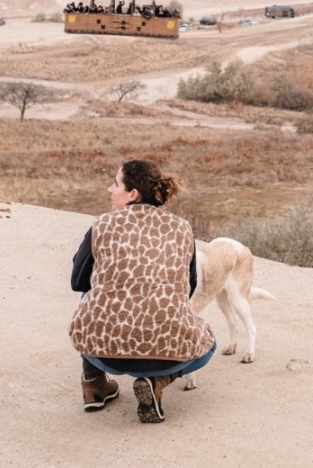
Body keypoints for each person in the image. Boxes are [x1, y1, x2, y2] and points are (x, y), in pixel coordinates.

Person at [70, 160, 216, 424]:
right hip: (168, 349)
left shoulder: (101, 225)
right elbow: (188, 288)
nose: (109, 189)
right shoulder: (182, 228)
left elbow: (78, 282)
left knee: (88, 298)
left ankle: (93, 383)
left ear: (133, 194)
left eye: (115, 184)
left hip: (104, 349)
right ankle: (159, 379)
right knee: (210, 343)